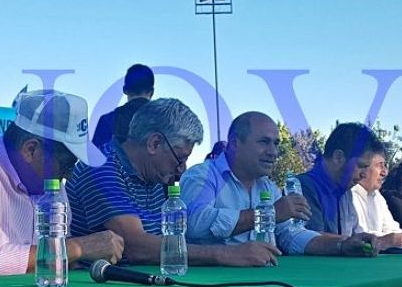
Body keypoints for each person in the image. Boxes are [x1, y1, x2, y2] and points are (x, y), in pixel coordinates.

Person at [67, 98, 280, 266]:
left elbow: (168, 239)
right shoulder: (101, 168)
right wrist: (224, 254)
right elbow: (135, 246)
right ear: (154, 143)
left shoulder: (154, 175)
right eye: (180, 158)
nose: (183, 168)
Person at [0, 89, 124, 277]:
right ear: (30, 149)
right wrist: (80, 247)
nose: (71, 176)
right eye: (66, 165)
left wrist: (84, 254)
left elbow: (60, 252)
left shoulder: (50, 183)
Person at [181, 112, 378, 256]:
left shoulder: (267, 187)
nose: (273, 152)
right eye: (264, 142)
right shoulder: (202, 176)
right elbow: (194, 224)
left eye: (276, 143)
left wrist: (341, 246)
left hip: (262, 285)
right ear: (234, 143)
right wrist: (268, 214)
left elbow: (291, 235)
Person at [297, 122, 377, 236]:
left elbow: (356, 236)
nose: (364, 175)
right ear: (338, 157)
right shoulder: (303, 187)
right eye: (360, 166)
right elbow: (312, 241)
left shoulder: (346, 192)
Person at [351, 150, 402, 248]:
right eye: (380, 165)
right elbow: (355, 235)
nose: (384, 172)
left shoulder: (377, 196)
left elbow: (391, 228)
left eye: (385, 166)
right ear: (364, 166)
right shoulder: (350, 193)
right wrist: (389, 240)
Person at [92, 64, 154, 151]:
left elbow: (95, 159)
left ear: (125, 90)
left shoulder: (107, 120)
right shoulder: (167, 121)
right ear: (151, 92)